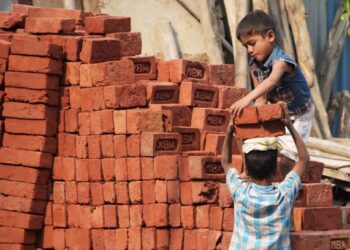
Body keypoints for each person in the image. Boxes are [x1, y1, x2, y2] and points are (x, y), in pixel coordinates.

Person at [229, 10, 315, 172]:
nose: (249, 50)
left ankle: (286, 188)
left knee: (287, 156)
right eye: (245, 46)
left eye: (252, 43)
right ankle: (253, 176)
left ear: (270, 36)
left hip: (300, 114)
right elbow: (261, 97)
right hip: (280, 111)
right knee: (259, 145)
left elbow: (271, 81)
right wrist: (251, 122)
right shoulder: (254, 64)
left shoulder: (281, 61)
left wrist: (246, 99)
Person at [221, 103, 310, 249]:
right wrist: (289, 125)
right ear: (275, 171)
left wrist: (230, 130)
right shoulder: (285, 194)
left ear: (247, 171)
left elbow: (226, 162)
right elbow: (304, 159)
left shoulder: (240, 192)